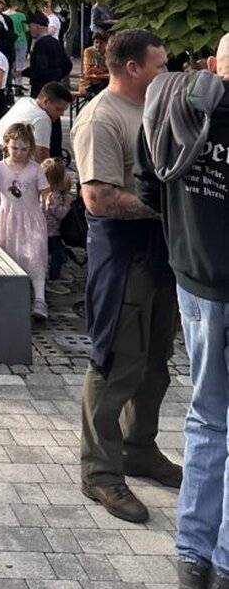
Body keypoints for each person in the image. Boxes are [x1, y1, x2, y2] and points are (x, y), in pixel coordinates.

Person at [135, 33, 229, 589]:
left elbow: (149, 183)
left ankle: (192, 559)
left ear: (216, 64)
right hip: (201, 279)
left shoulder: (171, 102)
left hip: (194, 276)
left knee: (206, 418)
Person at [72, 28, 177, 524]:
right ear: (133, 68)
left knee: (155, 364)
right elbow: (98, 198)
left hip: (159, 255)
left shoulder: (154, 108)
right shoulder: (101, 118)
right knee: (116, 364)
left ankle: (139, 449)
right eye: (160, 64)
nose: (167, 71)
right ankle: (99, 471)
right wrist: (170, 210)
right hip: (123, 257)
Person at [0, 122, 50, 321]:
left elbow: (45, 190)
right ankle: (9, 295)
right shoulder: (0, 168)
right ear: (6, 144)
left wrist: (48, 199)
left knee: (35, 254)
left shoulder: (35, 169)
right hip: (8, 219)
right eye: (15, 147)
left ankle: (40, 298)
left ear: (30, 148)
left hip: (32, 218)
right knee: (8, 254)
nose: (19, 152)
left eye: (24, 149)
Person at [0, 82, 73, 162]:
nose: (61, 114)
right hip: (7, 158)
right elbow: (42, 159)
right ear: (46, 102)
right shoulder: (42, 118)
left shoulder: (25, 101)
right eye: (58, 109)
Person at [42, 157, 75, 283]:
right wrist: (67, 204)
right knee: (58, 255)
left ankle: (55, 273)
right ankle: (53, 276)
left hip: (45, 230)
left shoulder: (44, 192)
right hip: (50, 232)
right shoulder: (53, 196)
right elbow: (59, 214)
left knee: (54, 253)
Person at [27, 12, 73, 97]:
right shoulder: (56, 42)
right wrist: (57, 76)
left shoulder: (40, 44)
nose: (29, 30)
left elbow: (40, 68)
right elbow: (68, 65)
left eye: (30, 26)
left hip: (41, 88)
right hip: (54, 86)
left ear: (37, 26)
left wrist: (25, 73)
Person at [79, 31, 111, 100]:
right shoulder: (89, 51)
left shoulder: (110, 53)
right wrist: (105, 70)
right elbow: (88, 70)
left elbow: (113, 69)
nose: (98, 45)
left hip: (105, 83)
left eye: (101, 43)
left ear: (106, 44)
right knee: (96, 97)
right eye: (96, 42)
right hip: (89, 83)